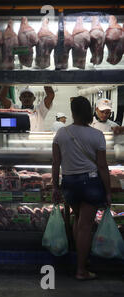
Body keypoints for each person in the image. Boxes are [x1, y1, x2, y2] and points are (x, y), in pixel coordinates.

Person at [52, 96, 111, 281]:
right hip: (91, 183)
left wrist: (55, 186)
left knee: (79, 220)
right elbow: (102, 166)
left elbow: (55, 163)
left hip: (69, 183)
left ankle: (80, 261)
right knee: (85, 226)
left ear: (73, 113)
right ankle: (81, 270)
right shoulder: (97, 135)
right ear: (89, 112)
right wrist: (108, 191)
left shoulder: (62, 133)